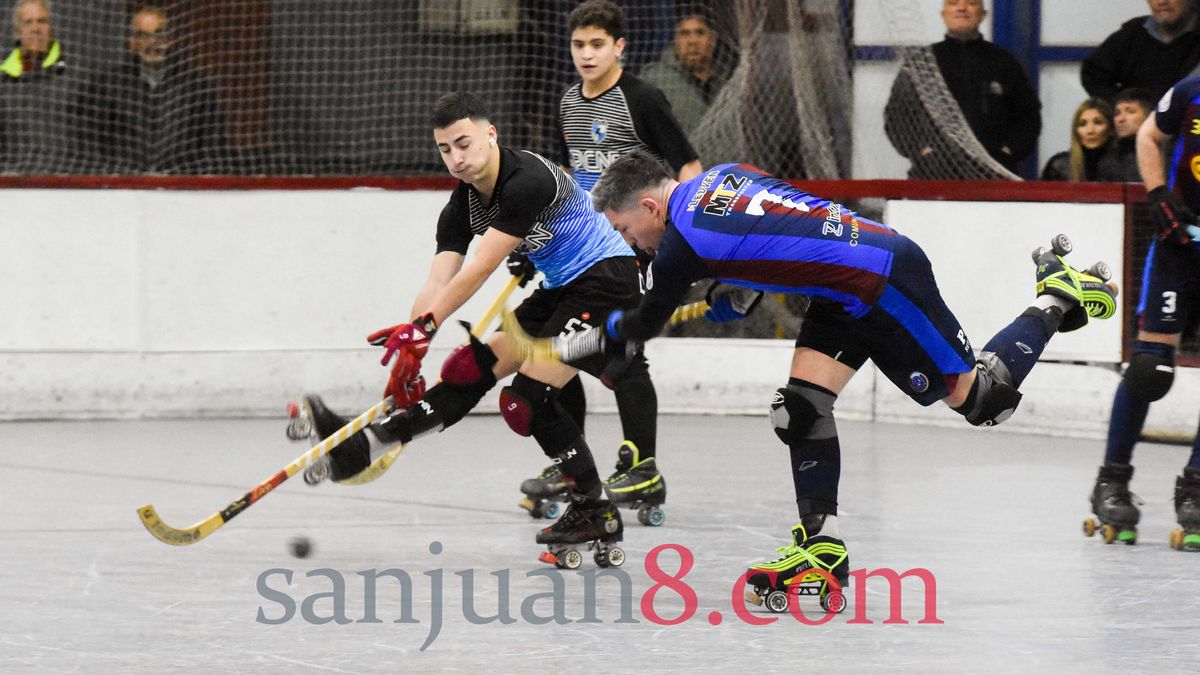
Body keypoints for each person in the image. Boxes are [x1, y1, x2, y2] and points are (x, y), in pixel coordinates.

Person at [557, 149, 1118, 608]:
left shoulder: (680, 243)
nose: (631, 245)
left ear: (652, 207)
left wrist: (575, 339)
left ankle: (1055, 297)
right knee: (799, 406)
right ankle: (821, 548)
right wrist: (744, 281)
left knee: (982, 401)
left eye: (627, 231)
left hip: (883, 282)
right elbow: (779, 215)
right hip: (846, 287)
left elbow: (637, 328)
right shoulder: (723, 175)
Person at [296, 91, 660, 565]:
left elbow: (480, 268)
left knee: (524, 401)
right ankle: (367, 443)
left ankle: (595, 508)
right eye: (445, 150)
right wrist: (413, 344)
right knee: (467, 369)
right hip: (563, 289)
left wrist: (426, 326)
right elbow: (439, 277)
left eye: (464, 144)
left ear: (491, 135)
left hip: (610, 284)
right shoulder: (462, 205)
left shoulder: (525, 179)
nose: (457, 158)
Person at [517, 0, 701, 516]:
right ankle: (570, 459)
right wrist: (538, 241)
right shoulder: (568, 103)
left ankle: (643, 467)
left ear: (620, 46)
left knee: (622, 352)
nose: (587, 54)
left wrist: (687, 239)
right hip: (578, 246)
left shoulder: (642, 98)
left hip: (631, 243)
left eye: (597, 44)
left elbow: (687, 165)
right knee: (561, 347)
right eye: (578, 44)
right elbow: (565, 177)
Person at [1086, 75, 1200, 552]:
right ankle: (1111, 481)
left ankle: (1195, 487)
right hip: (1180, 245)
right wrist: (1158, 196)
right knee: (1149, 368)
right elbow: (1150, 135)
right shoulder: (1193, 90)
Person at [884, 0, 1041, 179]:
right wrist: (921, 150)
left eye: (971, 3)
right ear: (943, 14)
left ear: (983, 14)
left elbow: (1028, 115)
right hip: (932, 176)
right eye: (953, 3)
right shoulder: (921, 63)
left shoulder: (1003, 62)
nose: (961, 8)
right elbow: (896, 116)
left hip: (994, 176)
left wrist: (1009, 151)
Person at [73, 6, 227, 173]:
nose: (153, 42)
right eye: (143, 35)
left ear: (170, 39)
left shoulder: (195, 87)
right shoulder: (106, 87)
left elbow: (213, 146)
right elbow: (90, 147)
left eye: (159, 33)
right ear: (131, 43)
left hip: (180, 187)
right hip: (123, 188)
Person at [1082, 0, 1200, 103]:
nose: (1162, 2)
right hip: (1138, 127)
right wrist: (1121, 107)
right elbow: (1092, 72)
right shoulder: (1133, 33)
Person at [639, 6, 730, 134]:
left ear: (713, 39)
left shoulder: (732, 77)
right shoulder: (655, 79)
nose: (692, 41)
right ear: (675, 40)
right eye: (684, 34)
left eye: (700, 33)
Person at [1040, 98, 1115, 182]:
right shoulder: (1059, 165)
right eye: (1083, 124)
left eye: (1098, 123)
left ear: (1111, 128)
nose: (1090, 130)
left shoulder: (1123, 163)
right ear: (1076, 130)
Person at [1097, 88, 1154, 182]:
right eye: (1117, 113)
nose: (1121, 119)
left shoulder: (1167, 154)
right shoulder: (1108, 162)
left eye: (1130, 111)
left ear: (1148, 117)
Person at [1, 0, 63, 79]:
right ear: (18, 32)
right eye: (28, 22)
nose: (35, 29)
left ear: (51, 28)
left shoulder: (70, 67)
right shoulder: (3, 76)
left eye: (42, 21)